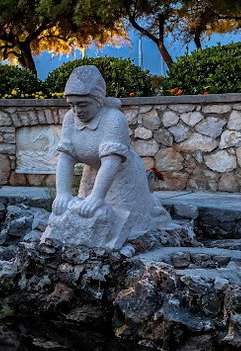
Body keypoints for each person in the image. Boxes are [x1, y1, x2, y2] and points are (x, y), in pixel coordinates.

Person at [46, 66, 172, 248]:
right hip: (94, 175)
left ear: (98, 100)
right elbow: (66, 157)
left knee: (126, 226)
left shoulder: (113, 118)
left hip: (123, 176)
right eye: (72, 105)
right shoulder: (70, 119)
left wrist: (97, 197)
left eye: (82, 104)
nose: (76, 111)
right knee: (82, 214)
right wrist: (62, 194)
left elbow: (111, 162)